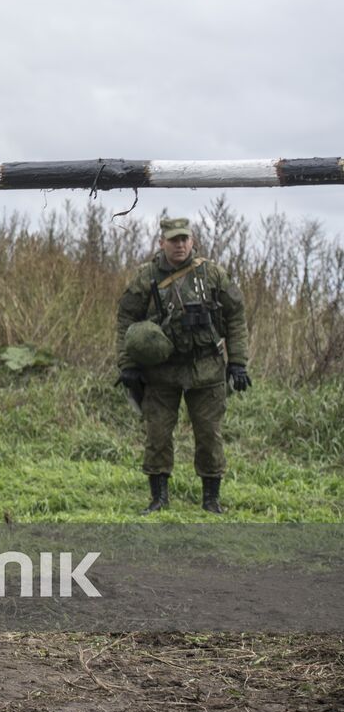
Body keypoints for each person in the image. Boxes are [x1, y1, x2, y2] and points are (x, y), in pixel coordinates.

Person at [116, 217, 250, 514]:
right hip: (161, 371)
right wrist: (128, 365)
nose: (179, 245)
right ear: (161, 242)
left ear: (192, 241)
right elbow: (126, 318)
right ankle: (158, 499)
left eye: (184, 239)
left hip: (206, 368)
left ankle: (211, 500)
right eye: (173, 240)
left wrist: (238, 363)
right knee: (158, 435)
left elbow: (236, 316)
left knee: (209, 435)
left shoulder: (212, 274)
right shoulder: (146, 277)